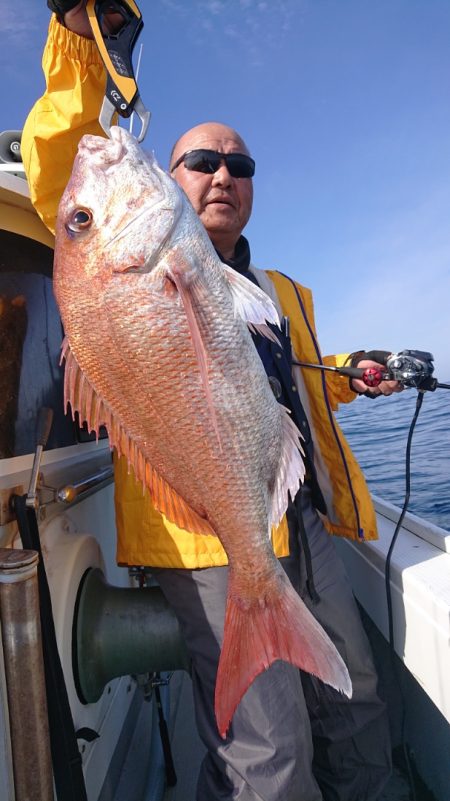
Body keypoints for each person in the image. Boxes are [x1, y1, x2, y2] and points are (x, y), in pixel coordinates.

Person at [22, 4, 400, 799]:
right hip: (206, 523)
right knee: (268, 750)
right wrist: (80, 49)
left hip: (299, 514)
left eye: (240, 164)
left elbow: (278, 377)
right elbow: (62, 163)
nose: (223, 173)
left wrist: (349, 374)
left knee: (356, 697)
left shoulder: (278, 292)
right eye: (200, 159)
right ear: (172, 176)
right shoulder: (121, 258)